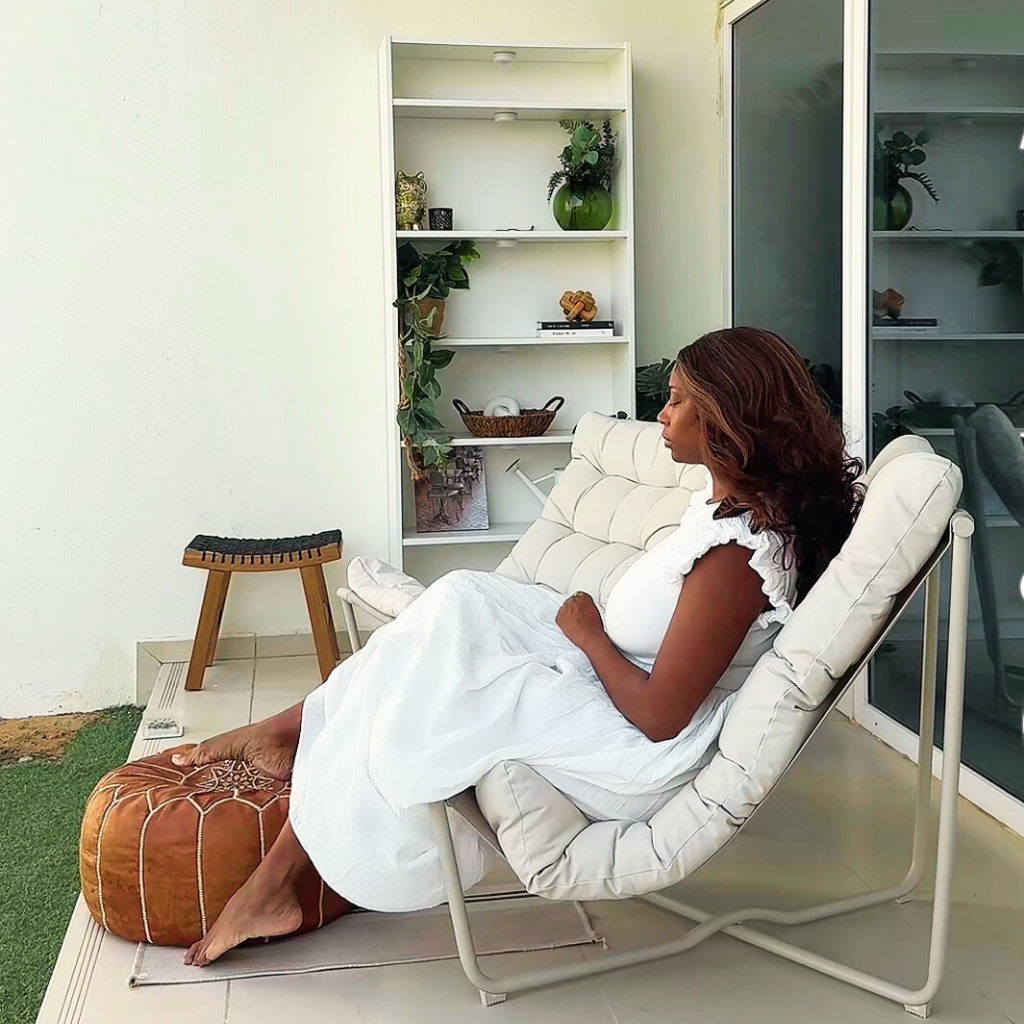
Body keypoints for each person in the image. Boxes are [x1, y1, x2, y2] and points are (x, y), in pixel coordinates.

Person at [173, 326, 863, 967]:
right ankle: (289, 741)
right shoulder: (723, 507)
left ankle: (272, 869)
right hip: (608, 684)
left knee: (440, 651)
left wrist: (590, 637)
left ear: (725, 422)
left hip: (630, 745)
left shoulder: (737, 561)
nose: (662, 415)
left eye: (678, 402)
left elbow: (660, 717)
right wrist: (588, 637)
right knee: (457, 603)